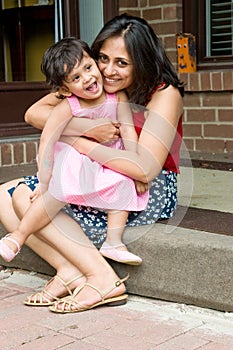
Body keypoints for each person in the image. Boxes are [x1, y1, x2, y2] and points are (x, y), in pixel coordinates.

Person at [0, 14, 183, 313]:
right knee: (1, 195)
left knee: (22, 197)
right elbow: (34, 114)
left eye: (121, 63)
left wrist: (78, 142)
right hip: (97, 170)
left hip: (144, 186)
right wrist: (86, 129)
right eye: (103, 58)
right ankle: (69, 270)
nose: (108, 71)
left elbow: (145, 169)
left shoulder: (164, 94)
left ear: (143, 61)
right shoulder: (90, 82)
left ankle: (101, 278)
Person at [0, 37, 146, 266]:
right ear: (65, 89)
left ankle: (113, 242)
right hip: (74, 159)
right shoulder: (67, 106)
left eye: (88, 68)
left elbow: (128, 130)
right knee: (58, 190)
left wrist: (136, 168)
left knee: (124, 182)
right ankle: (17, 237)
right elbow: (47, 141)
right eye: (76, 78)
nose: (87, 78)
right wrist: (44, 181)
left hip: (106, 160)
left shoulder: (116, 96)